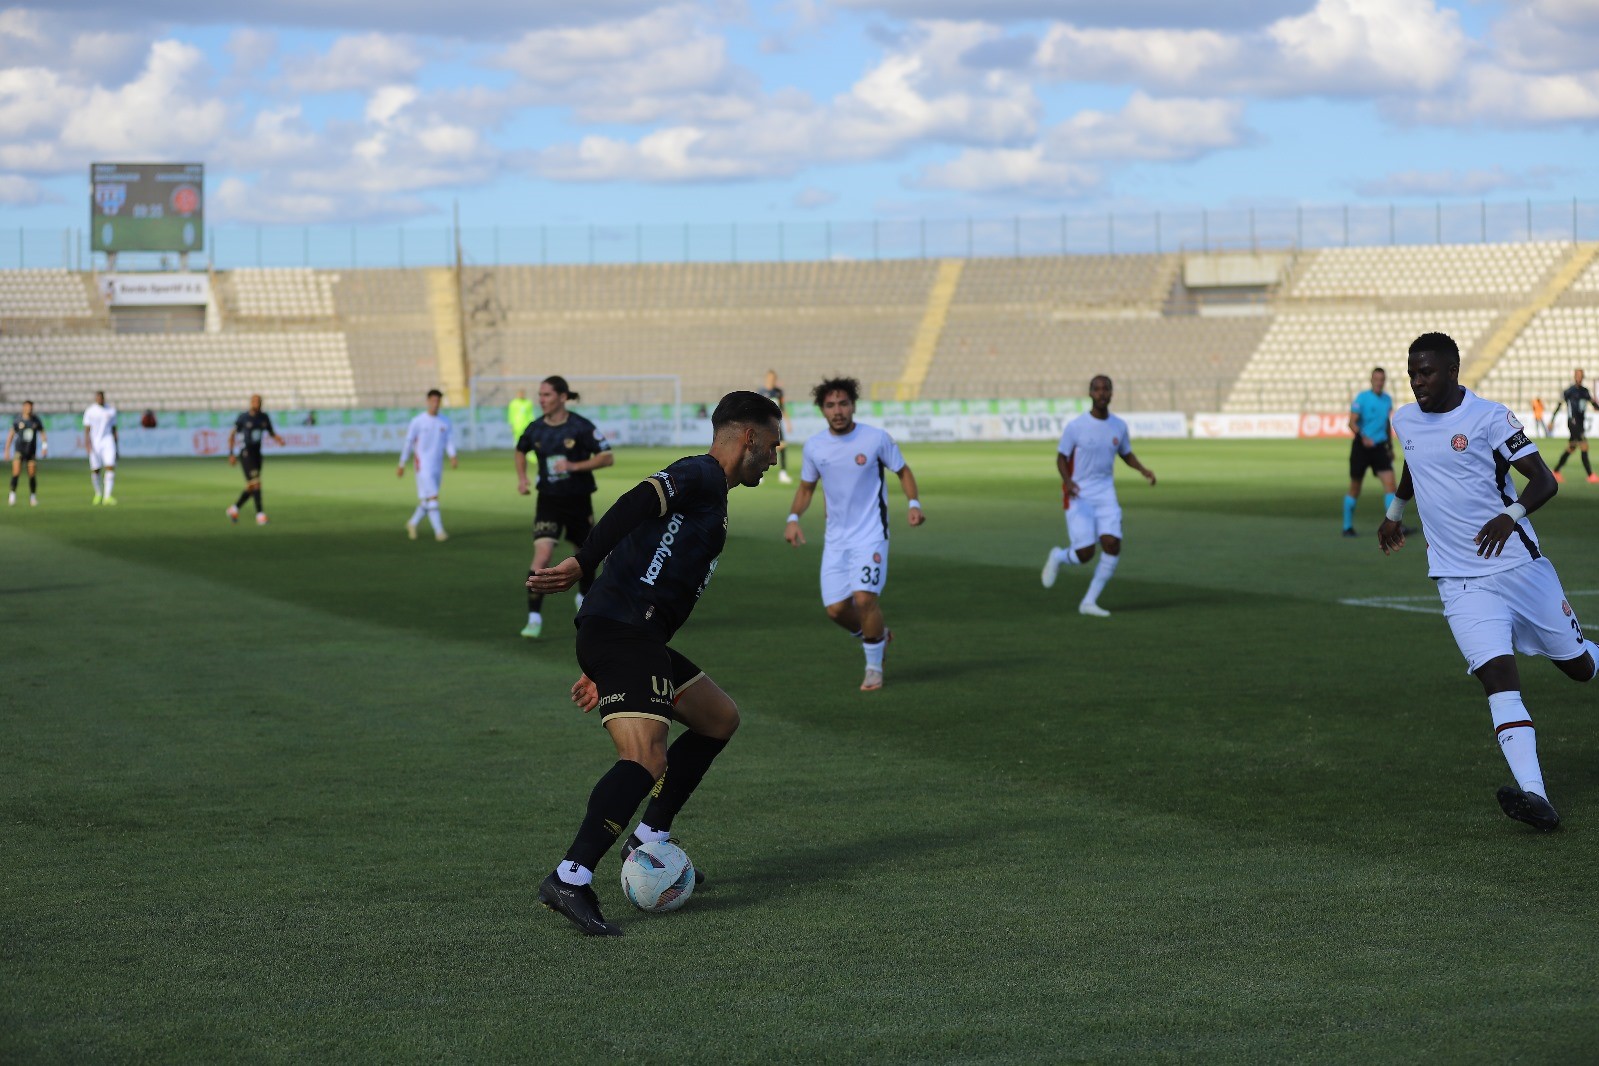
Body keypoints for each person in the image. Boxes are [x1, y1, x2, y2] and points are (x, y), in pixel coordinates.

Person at [526, 390, 782, 936]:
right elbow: (637, 501)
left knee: (718, 718)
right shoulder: (702, 474)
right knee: (646, 759)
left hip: (631, 638)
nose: (775, 457)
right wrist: (581, 561)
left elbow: (649, 563)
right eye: (773, 445)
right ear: (749, 437)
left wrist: (605, 665)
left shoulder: (713, 493)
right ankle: (570, 876)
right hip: (622, 631)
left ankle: (649, 839)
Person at [1378, 332, 1592, 832]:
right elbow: (1415, 458)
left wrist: (1510, 516)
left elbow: (1545, 481)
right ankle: (1536, 797)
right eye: (1411, 373)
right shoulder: (1404, 419)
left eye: (1425, 373)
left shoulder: (1489, 417)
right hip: (1457, 579)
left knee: (1579, 668)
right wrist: (1394, 510)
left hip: (1519, 567)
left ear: (1453, 371)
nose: (1416, 382)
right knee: (1497, 678)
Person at [784, 376, 924, 692]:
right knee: (835, 609)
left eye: (843, 403)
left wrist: (913, 503)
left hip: (871, 534)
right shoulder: (815, 447)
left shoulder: (875, 439)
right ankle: (877, 636)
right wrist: (793, 518)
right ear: (822, 410)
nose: (838, 410)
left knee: (864, 599)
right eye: (831, 405)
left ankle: (874, 667)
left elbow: (903, 470)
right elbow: (806, 488)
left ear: (853, 406)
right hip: (836, 538)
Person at [1040, 375, 1156, 617]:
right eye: (1098, 389)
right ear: (1090, 393)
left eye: (1107, 389)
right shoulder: (1076, 426)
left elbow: (1125, 453)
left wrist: (1143, 470)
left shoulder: (1119, 426)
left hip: (1105, 493)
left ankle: (1089, 602)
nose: (1102, 393)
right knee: (1085, 554)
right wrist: (1068, 481)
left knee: (1112, 544)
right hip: (1080, 494)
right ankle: (1059, 556)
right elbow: (1061, 457)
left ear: (1112, 394)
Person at [515, 376, 613, 639]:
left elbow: (607, 457)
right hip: (548, 501)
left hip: (578, 500)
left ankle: (583, 597)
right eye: (540, 395)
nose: (541, 400)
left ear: (561, 397)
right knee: (543, 556)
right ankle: (534, 617)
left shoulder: (581, 427)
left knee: (584, 556)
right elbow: (520, 450)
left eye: (546, 395)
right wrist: (522, 478)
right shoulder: (535, 428)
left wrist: (574, 466)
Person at [1341, 368, 1398, 537]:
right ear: (1371, 380)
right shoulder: (1362, 398)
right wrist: (1363, 437)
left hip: (1380, 447)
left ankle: (1393, 526)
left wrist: (1390, 447)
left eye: (1382, 379)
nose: (1379, 382)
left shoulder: (1387, 399)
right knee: (1355, 488)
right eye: (1376, 379)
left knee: (1391, 486)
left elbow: (1386, 424)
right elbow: (1351, 422)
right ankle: (1347, 527)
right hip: (1361, 448)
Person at [398, 389, 458, 542]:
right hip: (422, 465)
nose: (435, 404)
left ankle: (412, 523)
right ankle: (439, 532)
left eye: (438, 401)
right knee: (433, 497)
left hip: (437, 465)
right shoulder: (418, 421)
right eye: (433, 400)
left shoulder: (445, 421)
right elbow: (408, 442)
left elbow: (449, 441)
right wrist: (402, 463)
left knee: (427, 500)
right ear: (427, 401)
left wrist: (452, 455)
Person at [226, 394, 286, 526]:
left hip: (257, 454)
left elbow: (271, 432)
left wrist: (278, 439)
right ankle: (260, 515)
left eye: (258, 401)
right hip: (246, 454)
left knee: (251, 487)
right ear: (250, 403)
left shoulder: (264, 418)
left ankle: (234, 509)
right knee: (256, 483)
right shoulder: (243, 418)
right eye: (254, 401)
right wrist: (231, 453)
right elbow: (232, 435)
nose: (256, 403)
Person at [1548, 368, 1596, 484]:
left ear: (1583, 377)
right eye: (1577, 375)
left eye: (1580, 375)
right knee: (1584, 446)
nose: (1578, 377)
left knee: (1571, 448)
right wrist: (1552, 420)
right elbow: (1559, 405)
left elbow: (1593, 403)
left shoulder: (1585, 391)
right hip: (1572, 422)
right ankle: (1590, 475)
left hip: (1580, 423)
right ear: (1574, 376)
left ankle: (1555, 471)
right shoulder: (1569, 391)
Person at [5, 400, 47, 506]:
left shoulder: (35, 420)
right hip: (19, 450)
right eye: (28, 407)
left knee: (32, 474)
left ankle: (32, 497)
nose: (29, 409)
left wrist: (44, 446)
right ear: (24, 407)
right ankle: (12, 495)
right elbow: (11, 435)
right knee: (16, 473)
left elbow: (42, 433)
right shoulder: (18, 420)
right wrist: (7, 450)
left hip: (31, 451)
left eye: (31, 407)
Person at [758, 369, 795, 485]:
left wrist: (788, 423)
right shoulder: (761, 392)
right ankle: (758, 474)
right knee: (760, 449)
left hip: (777, 425)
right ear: (766, 379)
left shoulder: (778, 392)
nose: (771, 381)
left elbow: (783, 407)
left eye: (773, 379)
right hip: (764, 425)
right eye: (770, 378)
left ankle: (783, 473)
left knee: (782, 447)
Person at [82, 391, 117, 506]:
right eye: (98, 397)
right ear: (95, 399)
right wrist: (87, 443)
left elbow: (114, 428)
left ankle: (107, 496)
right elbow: (87, 428)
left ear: (104, 398)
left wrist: (116, 443)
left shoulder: (111, 410)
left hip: (108, 441)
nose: (100, 399)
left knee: (110, 466)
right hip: (94, 442)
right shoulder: (90, 411)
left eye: (101, 397)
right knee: (96, 469)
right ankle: (98, 493)